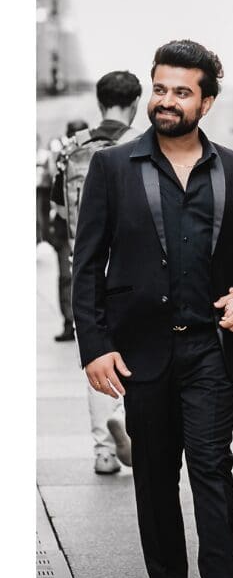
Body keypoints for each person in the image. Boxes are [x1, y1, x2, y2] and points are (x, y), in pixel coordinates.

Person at [71, 40, 233, 578]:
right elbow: (87, 263)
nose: (165, 101)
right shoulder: (114, 167)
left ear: (207, 101)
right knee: (154, 475)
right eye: (160, 88)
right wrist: (95, 345)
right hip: (140, 351)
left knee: (212, 470)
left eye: (181, 91)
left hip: (211, 349)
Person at [53, 72, 142, 473]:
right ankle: (131, 422)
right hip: (131, 263)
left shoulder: (73, 148)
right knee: (137, 350)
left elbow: (58, 206)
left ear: (99, 100)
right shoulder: (141, 144)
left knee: (94, 352)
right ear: (136, 101)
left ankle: (103, 452)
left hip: (84, 262)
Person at [44, 118, 89, 341]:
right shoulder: (61, 157)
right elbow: (51, 191)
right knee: (66, 277)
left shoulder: (96, 154)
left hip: (76, 227)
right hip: (69, 228)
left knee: (71, 277)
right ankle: (70, 322)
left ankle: (76, 323)